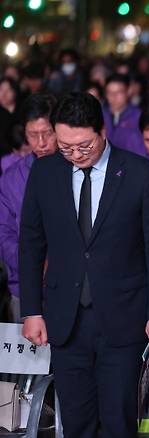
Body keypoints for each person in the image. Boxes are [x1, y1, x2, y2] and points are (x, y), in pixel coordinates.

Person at [19, 92, 149, 438]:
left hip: (124, 317)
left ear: (103, 131)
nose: (75, 155)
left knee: (119, 420)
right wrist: (31, 310)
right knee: (75, 421)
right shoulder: (45, 172)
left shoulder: (139, 174)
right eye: (66, 147)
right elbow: (30, 242)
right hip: (65, 319)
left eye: (84, 146)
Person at [0, 93, 58, 322]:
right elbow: (5, 233)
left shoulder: (76, 171)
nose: (41, 143)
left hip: (72, 288)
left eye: (48, 133)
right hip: (24, 287)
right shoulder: (12, 178)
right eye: (33, 135)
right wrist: (32, 263)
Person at [102, 74, 147, 157]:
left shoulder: (139, 116)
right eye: (109, 92)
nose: (114, 97)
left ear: (129, 91)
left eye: (119, 92)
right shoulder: (100, 116)